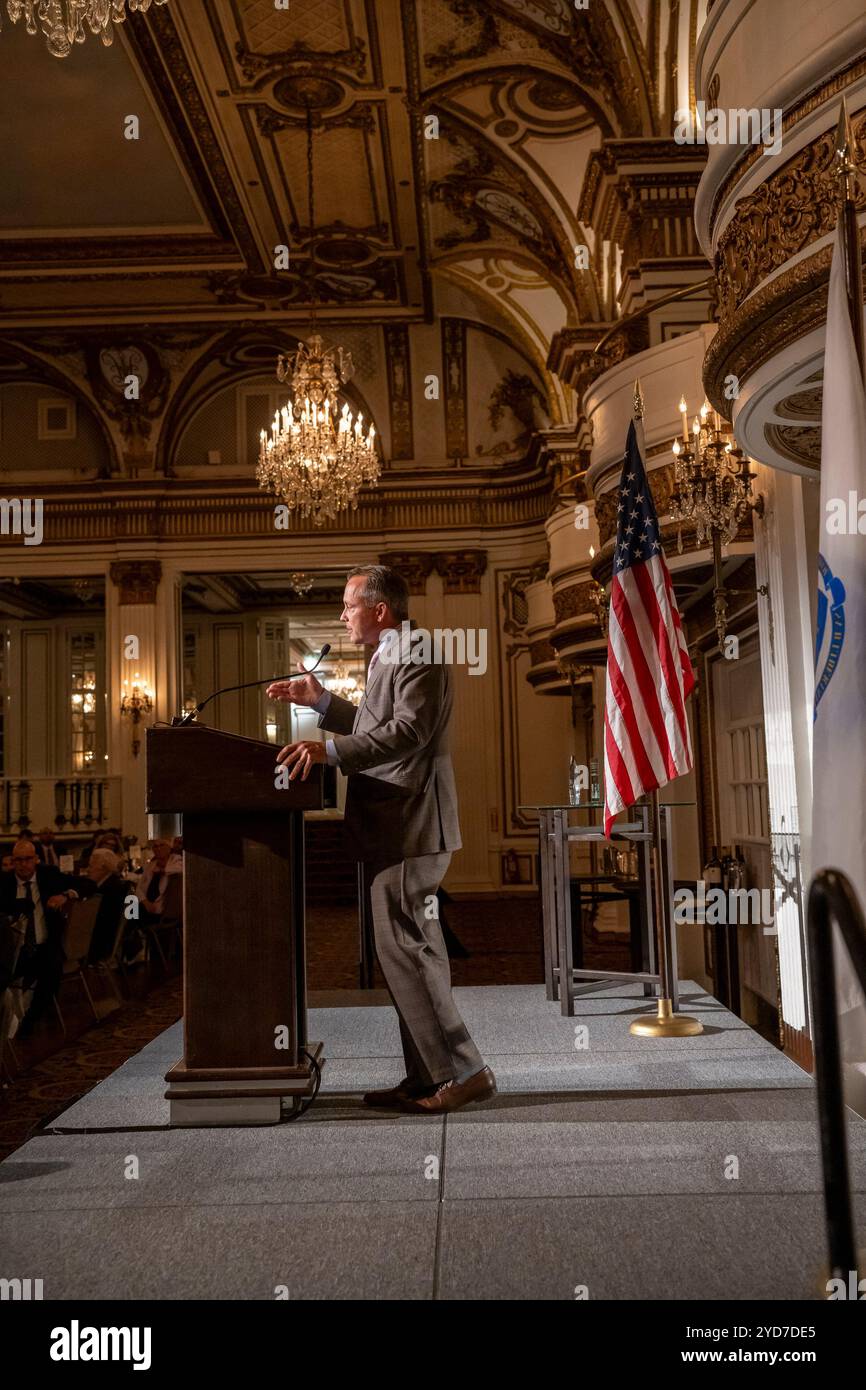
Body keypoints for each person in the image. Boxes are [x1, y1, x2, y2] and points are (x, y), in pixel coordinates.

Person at [267, 563, 495, 1115]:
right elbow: (377, 725)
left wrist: (329, 750)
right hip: (392, 823)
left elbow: (409, 732)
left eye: (348, 606)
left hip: (411, 822)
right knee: (403, 955)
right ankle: (425, 1076)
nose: (342, 616)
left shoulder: (417, 649)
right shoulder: (391, 652)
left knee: (410, 953)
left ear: (379, 609)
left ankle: (464, 1071)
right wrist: (321, 703)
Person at [0, 839, 82, 1036]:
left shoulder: (49, 876)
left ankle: (29, 1021)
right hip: (14, 950)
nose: (23, 864)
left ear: (36, 859)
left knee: (52, 970)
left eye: (28, 859)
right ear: (13, 861)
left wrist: (66, 895)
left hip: (44, 945)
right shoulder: (4, 884)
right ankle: (6, 1025)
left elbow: (86, 884)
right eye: (18, 860)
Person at [77, 848, 132, 963]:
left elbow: (97, 922)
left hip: (100, 944)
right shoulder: (115, 884)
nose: (87, 870)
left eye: (91, 867)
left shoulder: (109, 889)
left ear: (104, 868)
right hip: (108, 939)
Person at [135, 839, 180, 921]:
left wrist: (162, 871)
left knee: (130, 913)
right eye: (155, 846)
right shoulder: (151, 865)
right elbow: (139, 888)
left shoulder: (176, 859)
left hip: (162, 909)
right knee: (127, 904)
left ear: (169, 847)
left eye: (162, 845)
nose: (158, 848)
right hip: (147, 906)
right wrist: (145, 902)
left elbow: (181, 869)